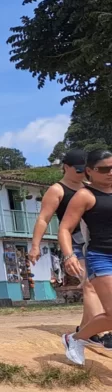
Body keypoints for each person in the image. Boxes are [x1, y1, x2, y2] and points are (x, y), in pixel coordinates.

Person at [28, 149, 104, 340]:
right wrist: (35, 245)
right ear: (66, 167)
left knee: (94, 285)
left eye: (84, 170)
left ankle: (86, 329)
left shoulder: (89, 187)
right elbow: (44, 219)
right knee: (90, 284)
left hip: (96, 242)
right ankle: (100, 333)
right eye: (77, 170)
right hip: (75, 243)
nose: (81, 173)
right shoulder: (57, 190)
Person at [59, 149, 112, 364]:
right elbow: (64, 228)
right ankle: (76, 338)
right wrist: (69, 255)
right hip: (101, 257)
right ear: (89, 171)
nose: (110, 173)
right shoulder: (85, 195)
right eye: (104, 169)